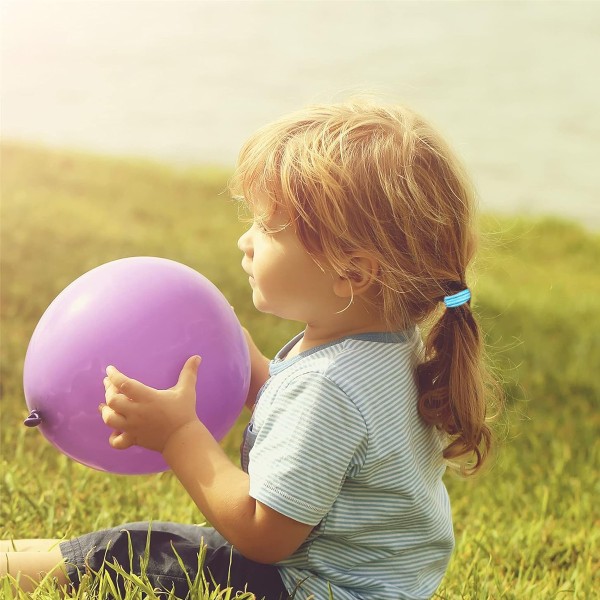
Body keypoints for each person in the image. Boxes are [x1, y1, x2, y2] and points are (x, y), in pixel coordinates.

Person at [1, 99, 500, 599]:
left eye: (266, 227)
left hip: (304, 587)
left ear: (351, 272)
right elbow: (311, 432)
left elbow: (265, 534)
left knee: (130, 555)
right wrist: (245, 361)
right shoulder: (387, 348)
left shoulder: (329, 388)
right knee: (146, 548)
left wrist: (179, 436)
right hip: (359, 586)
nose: (245, 241)